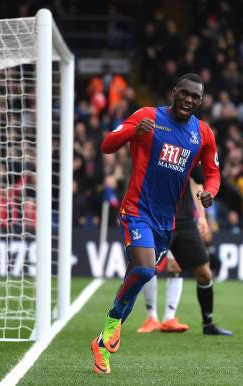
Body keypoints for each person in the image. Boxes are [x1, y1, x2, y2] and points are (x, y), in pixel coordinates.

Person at [91, 73, 221, 375]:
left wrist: (210, 192)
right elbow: (107, 145)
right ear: (173, 91)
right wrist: (133, 132)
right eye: (184, 93)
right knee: (145, 269)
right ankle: (111, 328)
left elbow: (213, 173)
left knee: (135, 280)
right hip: (137, 211)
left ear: (200, 101)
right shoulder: (147, 116)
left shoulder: (202, 133)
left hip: (168, 221)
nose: (189, 100)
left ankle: (103, 341)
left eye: (195, 97)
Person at [137, 167, 232, 336]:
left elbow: (197, 182)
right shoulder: (158, 143)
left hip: (185, 220)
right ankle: (151, 317)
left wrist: (202, 217)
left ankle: (206, 323)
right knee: (148, 266)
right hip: (157, 218)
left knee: (204, 273)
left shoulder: (191, 147)